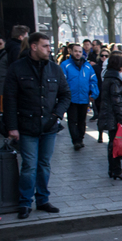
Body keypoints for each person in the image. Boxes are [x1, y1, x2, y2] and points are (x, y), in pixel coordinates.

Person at [2, 32, 71, 219]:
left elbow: (65, 94)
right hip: (26, 125)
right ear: (33, 47)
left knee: (44, 165)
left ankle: (42, 199)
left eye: (49, 46)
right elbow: (10, 100)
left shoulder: (54, 69)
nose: (50, 49)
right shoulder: (17, 69)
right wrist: (12, 127)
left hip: (48, 126)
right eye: (45, 46)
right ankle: (24, 202)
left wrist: (56, 115)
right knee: (29, 166)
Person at [98, 55, 122, 181]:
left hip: (110, 116)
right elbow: (117, 101)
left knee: (113, 143)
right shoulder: (115, 79)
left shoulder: (109, 77)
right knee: (115, 144)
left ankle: (113, 170)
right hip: (114, 117)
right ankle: (116, 170)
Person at [60, 43, 99, 150]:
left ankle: (81, 138)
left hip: (84, 98)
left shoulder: (87, 66)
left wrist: (94, 93)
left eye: (80, 51)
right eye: (76, 51)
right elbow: (62, 82)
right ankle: (76, 140)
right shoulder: (65, 65)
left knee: (82, 120)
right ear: (71, 52)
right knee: (72, 120)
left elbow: (93, 80)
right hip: (71, 98)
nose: (78, 53)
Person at [91, 49, 110, 142]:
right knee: (100, 115)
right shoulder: (96, 67)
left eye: (106, 56)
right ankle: (100, 134)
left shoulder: (110, 67)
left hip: (109, 94)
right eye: (102, 55)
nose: (104, 57)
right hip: (99, 94)